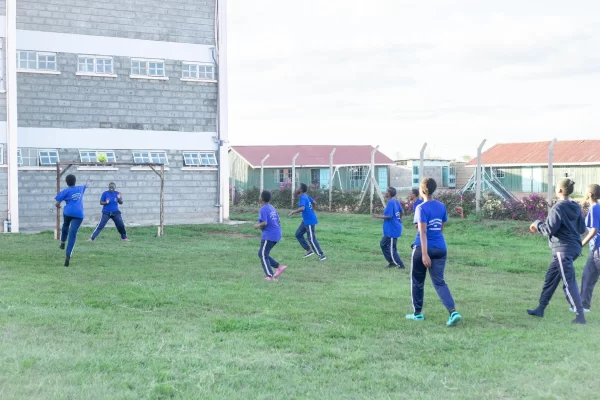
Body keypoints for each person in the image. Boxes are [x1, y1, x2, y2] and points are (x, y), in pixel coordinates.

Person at [528, 178, 588, 324]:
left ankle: (580, 316)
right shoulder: (576, 207)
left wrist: (537, 224)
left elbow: (548, 229)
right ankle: (540, 308)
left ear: (560, 191)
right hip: (573, 247)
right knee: (551, 278)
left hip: (563, 249)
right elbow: (581, 229)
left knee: (568, 281)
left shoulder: (558, 208)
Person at [406, 178, 462, 327]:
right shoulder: (441, 206)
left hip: (423, 248)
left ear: (422, 190)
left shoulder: (421, 208)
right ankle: (453, 312)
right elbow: (441, 228)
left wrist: (424, 254)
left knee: (417, 281)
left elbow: (423, 231)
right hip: (441, 248)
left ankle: (417, 314)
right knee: (439, 282)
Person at [571, 184, 600, 314]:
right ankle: (584, 306)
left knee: (588, 276)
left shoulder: (594, 208)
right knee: (588, 276)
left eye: (585, 192)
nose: (584, 194)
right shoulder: (596, 208)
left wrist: (581, 244)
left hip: (598, 250)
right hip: (595, 250)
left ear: (590, 195)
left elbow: (594, 230)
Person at [55, 174, 90, 267]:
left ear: (66, 182)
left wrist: (58, 205)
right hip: (79, 214)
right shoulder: (80, 188)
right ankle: (68, 255)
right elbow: (86, 185)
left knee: (65, 224)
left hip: (68, 212)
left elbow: (57, 202)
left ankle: (62, 242)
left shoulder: (66, 191)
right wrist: (88, 180)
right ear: (75, 181)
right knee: (73, 234)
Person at [288, 183, 326, 261]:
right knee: (298, 234)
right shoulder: (306, 196)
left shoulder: (303, 197)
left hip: (309, 221)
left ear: (301, 190)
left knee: (311, 239)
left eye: (298, 187)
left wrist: (293, 212)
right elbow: (314, 202)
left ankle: (321, 255)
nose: (296, 188)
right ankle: (309, 250)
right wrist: (312, 210)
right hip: (305, 220)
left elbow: (302, 208)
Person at [255, 191, 287, 281]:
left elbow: (265, 222)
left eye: (260, 196)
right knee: (262, 254)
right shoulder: (272, 207)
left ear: (261, 199)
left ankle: (270, 275)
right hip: (277, 233)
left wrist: (257, 226)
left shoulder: (263, 209)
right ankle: (279, 267)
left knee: (262, 254)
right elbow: (278, 220)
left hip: (269, 235)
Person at [372, 187, 405, 269]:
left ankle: (400, 265)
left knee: (390, 248)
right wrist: (398, 220)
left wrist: (377, 216)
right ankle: (392, 262)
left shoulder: (391, 202)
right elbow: (402, 212)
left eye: (386, 191)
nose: (385, 193)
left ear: (389, 193)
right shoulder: (395, 201)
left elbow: (389, 216)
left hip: (392, 230)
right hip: (394, 228)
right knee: (384, 245)